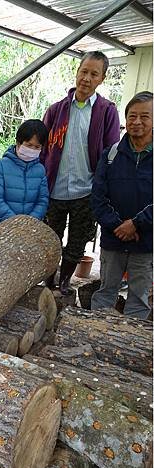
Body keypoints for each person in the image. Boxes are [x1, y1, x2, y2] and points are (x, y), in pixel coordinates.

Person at [41, 51, 120, 295]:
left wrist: (103, 189)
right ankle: (49, 282)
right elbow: (43, 149)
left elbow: (110, 154)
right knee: (50, 239)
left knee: (77, 241)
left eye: (93, 74)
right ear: (77, 72)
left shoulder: (106, 111)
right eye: (83, 71)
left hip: (85, 191)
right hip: (55, 189)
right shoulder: (57, 110)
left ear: (102, 78)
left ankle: (65, 283)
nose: (86, 78)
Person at [91, 91, 153, 319]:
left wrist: (136, 225)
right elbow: (97, 197)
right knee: (106, 293)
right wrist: (119, 226)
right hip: (113, 239)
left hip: (145, 243)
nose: (137, 122)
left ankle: (128, 348)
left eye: (145, 116)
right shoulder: (111, 154)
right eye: (132, 116)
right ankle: (94, 340)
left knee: (139, 299)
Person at [0, 119, 49, 229]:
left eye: (37, 147)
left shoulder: (40, 170)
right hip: (0, 228)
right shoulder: (1, 166)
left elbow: (42, 200)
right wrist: (15, 222)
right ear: (18, 143)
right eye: (29, 145)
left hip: (28, 229)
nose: (32, 149)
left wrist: (29, 222)